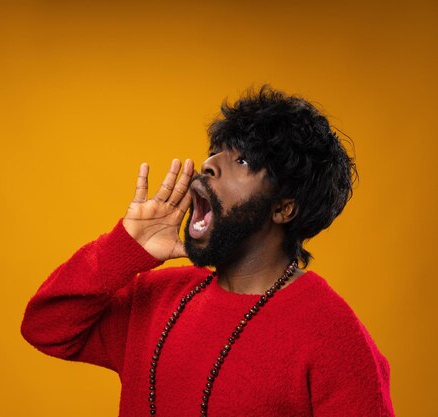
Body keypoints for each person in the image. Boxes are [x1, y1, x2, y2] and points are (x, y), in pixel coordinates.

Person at [21, 86, 395, 416]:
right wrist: (127, 247)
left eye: (243, 160)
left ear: (283, 207)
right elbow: (46, 327)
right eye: (215, 152)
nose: (209, 165)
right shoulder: (159, 298)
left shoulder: (333, 336)